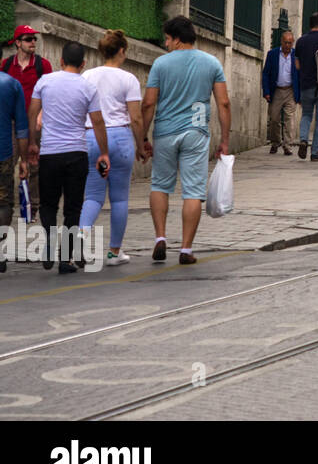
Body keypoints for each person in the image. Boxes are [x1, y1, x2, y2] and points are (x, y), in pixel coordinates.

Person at [141, 16, 229, 266]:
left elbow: (148, 103)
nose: (166, 44)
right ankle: (186, 248)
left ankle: (160, 236)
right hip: (196, 132)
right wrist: (225, 139)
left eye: (168, 39)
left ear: (177, 39)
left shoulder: (160, 64)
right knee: (193, 191)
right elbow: (224, 103)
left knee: (159, 185)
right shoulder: (212, 63)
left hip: (165, 132)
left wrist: (142, 138)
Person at [28, 42, 110, 273]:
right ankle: (66, 258)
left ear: (61, 61)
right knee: (73, 207)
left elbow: (33, 112)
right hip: (77, 153)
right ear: (83, 64)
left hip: (50, 153)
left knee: (48, 203)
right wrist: (103, 152)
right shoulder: (87, 88)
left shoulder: (44, 82)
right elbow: (97, 122)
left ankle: (49, 242)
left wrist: (33, 142)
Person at [79, 30, 145, 267]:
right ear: (122, 51)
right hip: (120, 137)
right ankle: (114, 252)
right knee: (119, 199)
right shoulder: (129, 79)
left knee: (92, 195)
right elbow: (136, 118)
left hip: (92, 137)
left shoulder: (87, 76)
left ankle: (81, 236)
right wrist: (141, 144)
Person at [4, 24, 51, 214]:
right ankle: (7, 205)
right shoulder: (6, 65)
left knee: (34, 164)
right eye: (28, 39)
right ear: (17, 43)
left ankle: (33, 207)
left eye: (34, 39)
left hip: (33, 122)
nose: (33, 42)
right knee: (8, 163)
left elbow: (49, 92)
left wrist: (41, 115)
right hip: (12, 122)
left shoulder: (42, 65)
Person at [0, 57, 29, 271]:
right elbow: (21, 127)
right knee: (4, 202)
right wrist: (24, 159)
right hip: (4, 153)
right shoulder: (11, 84)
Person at [294, 12, 318, 162]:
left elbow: (297, 65)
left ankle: (303, 139)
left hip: (306, 84)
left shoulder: (301, 41)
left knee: (306, 115)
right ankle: (315, 151)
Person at [261, 29, 299, 155]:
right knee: (274, 118)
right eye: (285, 43)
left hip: (290, 91)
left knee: (290, 119)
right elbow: (266, 73)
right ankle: (275, 142)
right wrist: (266, 91)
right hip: (276, 90)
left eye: (290, 43)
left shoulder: (296, 55)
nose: (287, 45)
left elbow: (300, 74)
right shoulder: (272, 54)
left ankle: (287, 145)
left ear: (293, 43)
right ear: (281, 42)